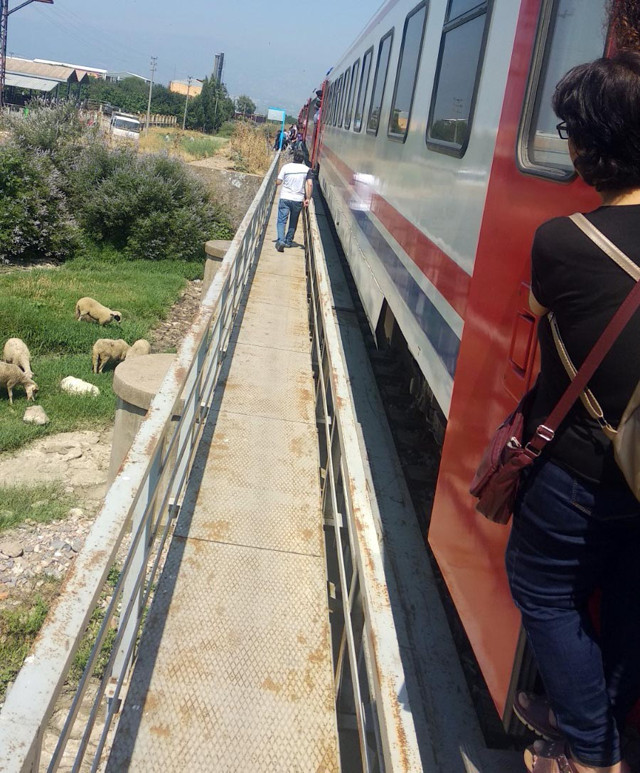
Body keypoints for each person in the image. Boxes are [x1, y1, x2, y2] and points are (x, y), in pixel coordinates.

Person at [506, 51, 640, 773]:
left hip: (583, 473)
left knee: (540, 585)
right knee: (627, 603)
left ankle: (589, 755)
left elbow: (535, 310)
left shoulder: (562, 242)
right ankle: (593, 716)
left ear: (591, 147)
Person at [274, 150, 313, 252]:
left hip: (285, 198)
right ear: (303, 159)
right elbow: (309, 184)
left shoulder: (286, 167)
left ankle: (281, 240)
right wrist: (307, 198)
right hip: (298, 200)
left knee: (281, 221)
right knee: (293, 221)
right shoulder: (307, 169)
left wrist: (276, 182)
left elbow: (278, 182)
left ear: (294, 157)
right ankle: (288, 241)